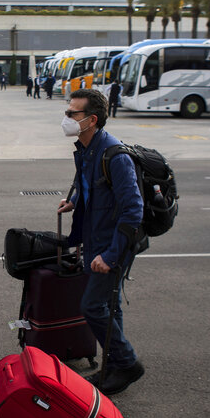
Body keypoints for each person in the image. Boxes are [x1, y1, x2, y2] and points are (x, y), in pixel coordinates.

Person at [57, 88, 145, 396]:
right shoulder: (86, 148)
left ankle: (128, 363)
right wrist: (75, 200)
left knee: (92, 306)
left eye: (72, 113)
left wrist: (110, 255)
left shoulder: (114, 155)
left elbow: (133, 210)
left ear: (91, 120)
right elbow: (90, 186)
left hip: (114, 243)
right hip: (95, 237)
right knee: (109, 305)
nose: (66, 118)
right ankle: (114, 364)